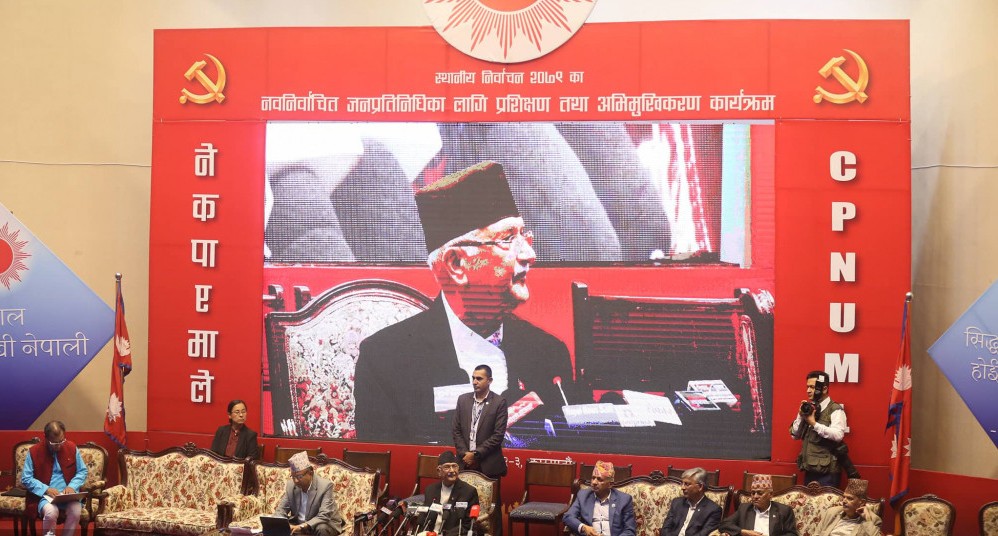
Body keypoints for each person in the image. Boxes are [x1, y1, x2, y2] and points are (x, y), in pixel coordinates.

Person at [355, 161, 574, 444]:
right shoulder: (386, 359)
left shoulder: (548, 352)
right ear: (456, 265)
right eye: (508, 239)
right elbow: (382, 463)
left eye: (525, 235)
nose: (529, 254)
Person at [21, 421, 88, 536]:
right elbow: (26, 478)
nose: (58, 445)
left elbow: (82, 471)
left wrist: (72, 486)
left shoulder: (71, 447)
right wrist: (46, 489)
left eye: (61, 441)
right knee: (51, 513)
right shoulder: (34, 451)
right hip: (46, 497)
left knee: (76, 511)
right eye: (54, 442)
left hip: (68, 495)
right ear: (45, 437)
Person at [790, 371, 848, 487]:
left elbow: (838, 435)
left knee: (826, 500)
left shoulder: (835, 409)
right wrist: (801, 415)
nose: (808, 390)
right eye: (807, 387)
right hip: (810, 469)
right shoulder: (809, 408)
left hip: (828, 473)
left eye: (812, 387)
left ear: (824, 389)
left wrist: (814, 424)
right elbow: (794, 435)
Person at [274, 451, 346, 536]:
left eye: (299, 476)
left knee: (321, 528)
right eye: (293, 477)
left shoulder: (325, 486)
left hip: (323, 523)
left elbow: (324, 515)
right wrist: (279, 522)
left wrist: (302, 526)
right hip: (299, 523)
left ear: (310, 472)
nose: (296, 481)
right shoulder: (291, 486)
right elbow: (281, 509)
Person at [415, 451, 480, 536]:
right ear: (439, 471)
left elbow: (468, 525)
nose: (452, 470)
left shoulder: (469, 492)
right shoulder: (430, 490)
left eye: (454, 466)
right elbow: (425, 518)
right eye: (447, 467)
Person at [564, 461, 636, 536]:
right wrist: (583, 527)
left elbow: (630, 531)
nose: (594, 482)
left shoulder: (624, 500)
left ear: (610, 484)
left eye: (600, 479)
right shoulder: (583, 495)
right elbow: (568, 517)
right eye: (593, 478)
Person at [718, 474, 797, 536]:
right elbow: (724, 525)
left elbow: (792, 534)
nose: (755, 496)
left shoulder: (784, 510)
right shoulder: (744, 509)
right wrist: (744, 532)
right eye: (753, 493)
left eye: (760, 493)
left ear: (770, 494)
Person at [659, 467, 722, 536]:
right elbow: (665, 529)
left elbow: (703, 534)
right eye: (682, 483)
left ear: (700, 487)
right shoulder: (677, 503)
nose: (682, 487)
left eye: (687, 484)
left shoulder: (713, 510)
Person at [813, 479, 881, 536]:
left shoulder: (873, 520)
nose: (844, 501)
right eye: (844, 497)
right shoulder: (831, 512)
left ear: (862, 502)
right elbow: (816, 534)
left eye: (850, 498)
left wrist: (868, 520)